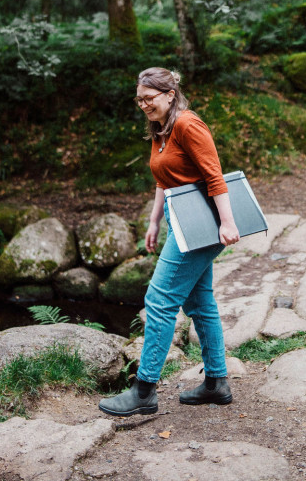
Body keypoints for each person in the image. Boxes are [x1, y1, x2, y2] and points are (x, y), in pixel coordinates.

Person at [98, 66, 240, 417]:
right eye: (139, 100)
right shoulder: (161, 129)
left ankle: (144, 390)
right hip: (181, 223)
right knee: (200, 302)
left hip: (202, 226)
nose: (143, 105)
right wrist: (153, 221)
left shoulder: (189, 125)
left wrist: (227, 223)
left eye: (149, 98)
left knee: (158, 300)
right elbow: (165, 178)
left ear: (170, 94)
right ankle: (216, 382)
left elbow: (214, 176)